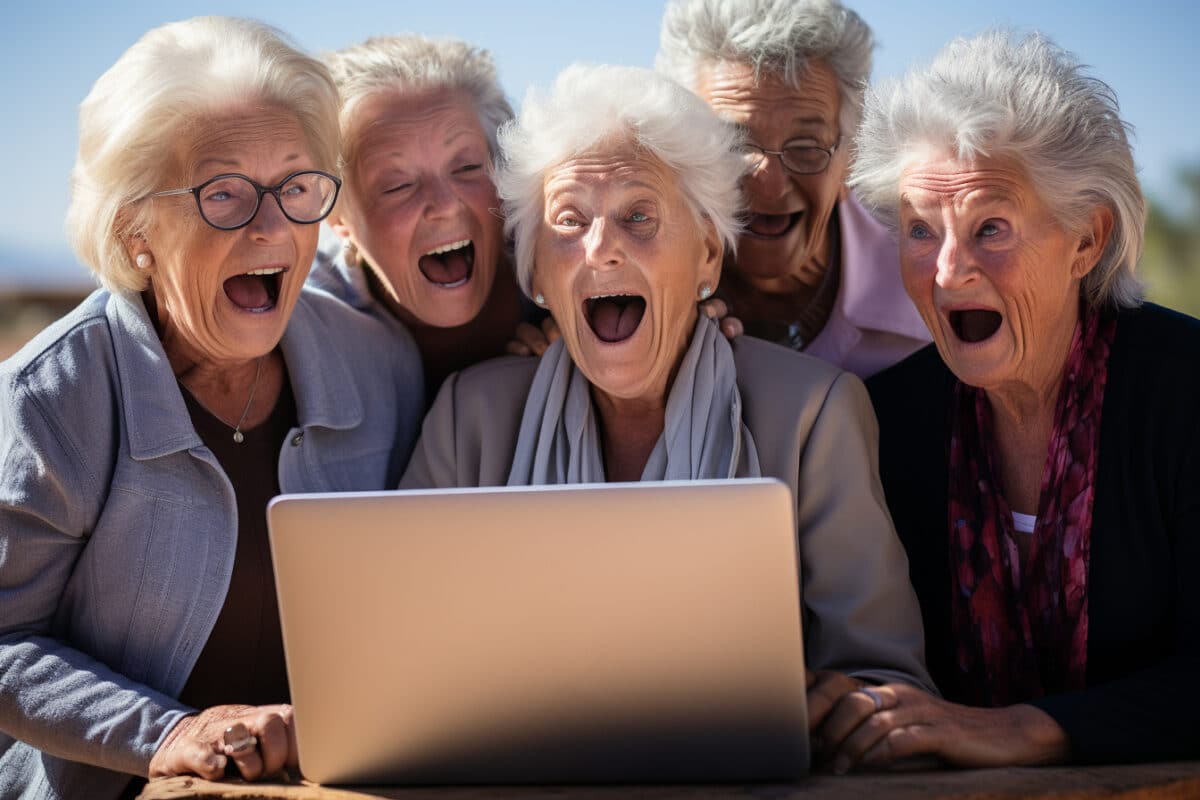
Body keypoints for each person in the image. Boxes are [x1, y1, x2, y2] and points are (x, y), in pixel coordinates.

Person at [400, 64, 935, 753]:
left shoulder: (814, 414)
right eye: (568, 222)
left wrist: (834, 705)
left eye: (638, 216)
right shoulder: (467, 417)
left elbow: (884, 677)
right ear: (536, 272)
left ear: (709, 255)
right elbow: (406, 665)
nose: (601, 247)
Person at [0, 17, 423, 798]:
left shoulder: (378, 363)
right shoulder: (52, 396)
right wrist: (169, 733)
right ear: (136, 232)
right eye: (223, 193)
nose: (271, 227)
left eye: (296, 188)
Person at [821, 30, 1200, 770]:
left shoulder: (1185, 392)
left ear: (1087, 240)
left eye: (990, 227)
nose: (949, 271)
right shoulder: (885, 420)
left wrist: (1017, 730)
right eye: (919, 230)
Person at [656, 0, 930, 377]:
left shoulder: (932, 282)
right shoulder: (632, 272)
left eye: (806, 148)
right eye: (734, 146)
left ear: (849, 158)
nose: (769, 184)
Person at [311, 34, 542, 404]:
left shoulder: (565, 273)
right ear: (337, 217)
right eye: (398, 185)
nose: (444, 205)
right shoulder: (304, 332)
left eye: (467, 167)